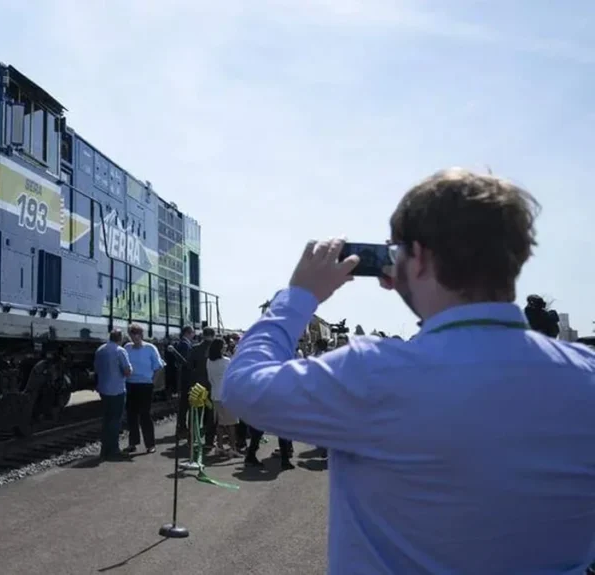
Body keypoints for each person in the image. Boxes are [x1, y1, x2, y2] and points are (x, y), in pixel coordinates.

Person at [221, 168, 595, 573]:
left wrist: (299, 295)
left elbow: (243, 385)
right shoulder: (586, 374)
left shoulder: (374, 373)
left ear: (417, 257)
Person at [123, 323, 165, 453]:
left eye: (136, 334)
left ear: (141, 335)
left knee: (145, 415)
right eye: (132, 335)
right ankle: (133, 443)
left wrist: (152, 381)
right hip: (130, 384)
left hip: (145, 385)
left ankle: (150, 444)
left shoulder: (150, 348)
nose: (134, 337)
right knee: (131, 415)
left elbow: (159, 367)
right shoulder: (127, 348)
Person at [93, 329, 132, 460]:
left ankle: (104, 449)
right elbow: (127, 371)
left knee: (106, 419)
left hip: (103, 389)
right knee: (115, 419)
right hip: (117, 390)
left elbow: (96, 369)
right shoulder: (120, 351)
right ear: (120, 338)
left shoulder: (100, 350)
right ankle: (114, 450)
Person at [206, 338, 240, 457]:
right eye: (224, 345)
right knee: (231, 423)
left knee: (220, 422)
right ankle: (233, 448)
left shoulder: (209, 361)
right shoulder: (226, 361)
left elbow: (210, 379)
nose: (226, 347)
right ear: (220, 348)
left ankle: (219, 446)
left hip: (215, 394)